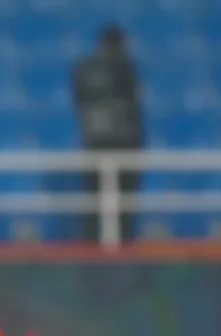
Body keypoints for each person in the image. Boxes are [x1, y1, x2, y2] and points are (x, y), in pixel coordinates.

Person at [72, 24, 144, 242]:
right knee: (112, 202)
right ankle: (109, 243)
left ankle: (105, 241)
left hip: (100, 143)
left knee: (103, 201)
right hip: (118, 145)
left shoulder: (84, 69)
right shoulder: (124, 68)